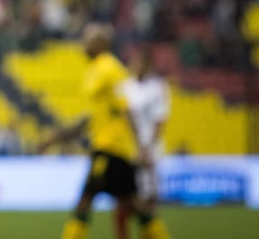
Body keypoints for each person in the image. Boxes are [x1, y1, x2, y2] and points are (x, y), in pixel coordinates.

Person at [38, 23, 171, 239]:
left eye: (87, 39)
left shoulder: (108, 68)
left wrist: (141, 146)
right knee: (135, 204)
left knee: (85, 201)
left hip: (110, 147)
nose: (83, 43)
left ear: (101, 43)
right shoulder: (99, 69)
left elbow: (125, 109)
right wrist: (55, 139)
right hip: (114, 147)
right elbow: (93, 116)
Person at [114, 46, 171, 239]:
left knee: (148, 201)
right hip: (126, 149)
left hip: (148, 149)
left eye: (140, 62)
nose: (136, 66)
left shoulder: (157, 88)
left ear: (148, 65)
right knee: (124, 201)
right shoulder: (124, 87)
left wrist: (148, 148)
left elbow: (159, 121)